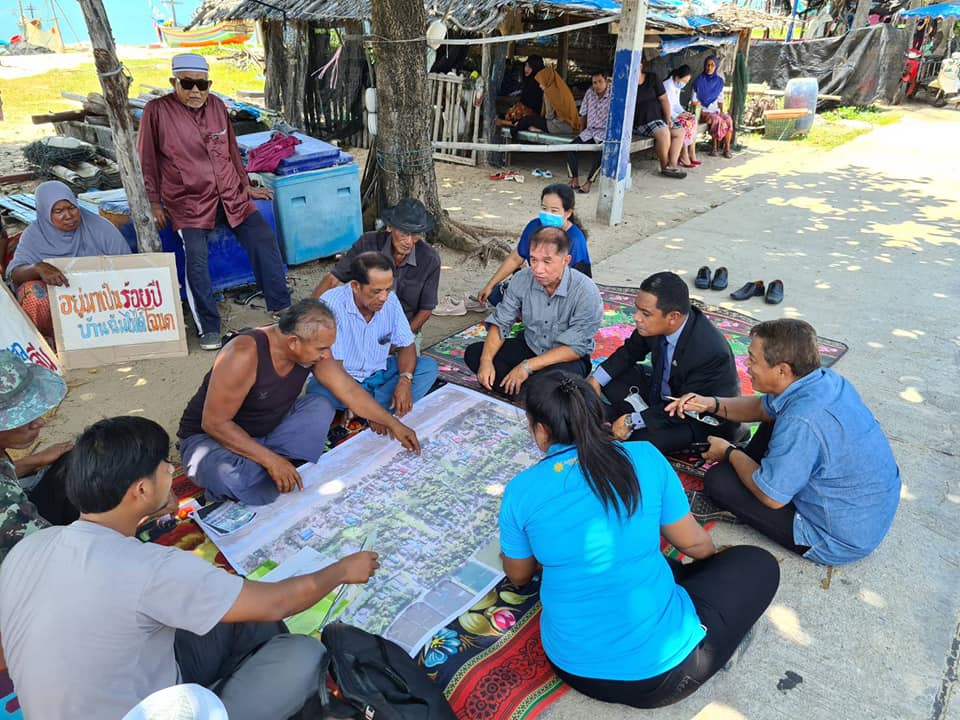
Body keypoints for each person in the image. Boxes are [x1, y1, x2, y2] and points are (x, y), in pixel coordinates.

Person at [0, 415, 381, 720]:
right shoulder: (152, 568)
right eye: (165, 465)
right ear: (141, 491)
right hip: (151, 708)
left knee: (235, 608)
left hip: (94, 697)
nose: (171, 470)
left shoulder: (30, 546)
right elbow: (278, 603)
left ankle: (238, 675)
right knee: (303, 654)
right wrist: (342, 570)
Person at [499, 372, 779, 708]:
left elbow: (518, 575)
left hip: (570, 665)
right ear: (597, 416)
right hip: (663, 678)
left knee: (649, 566)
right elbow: (696, 547)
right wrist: (719, 559)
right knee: (757, 563)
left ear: (541, 429)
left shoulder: (521, 490)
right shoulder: (643, 457)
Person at [667, 319, 901, 565]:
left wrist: (729, 452)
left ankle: (739, 501)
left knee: (720, 480)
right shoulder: (824, 381)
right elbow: (761, 408)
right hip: (868, 512)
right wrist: (710, 403)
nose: (746, 365)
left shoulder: (801, 420)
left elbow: (772, 498)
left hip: (836, 539)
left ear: (782, 370)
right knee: (773, 418)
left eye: (752, 360)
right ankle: (763, 471)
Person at [178, 299, 421, 506]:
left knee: (320, 407)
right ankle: (263, 468)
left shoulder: (308, 348)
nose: (327, 355)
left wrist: (394, 424)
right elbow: (214, 423)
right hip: (212, 438)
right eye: (322, 348)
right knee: (227, 474)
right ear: (293, 342)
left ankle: (265, 465)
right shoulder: (243, 353)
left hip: (267, 428)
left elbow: (347, 388)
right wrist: (271, 460)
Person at [138, 53, 291, 351]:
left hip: (230, 195)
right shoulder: (156, 112)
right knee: (196, 258)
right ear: (174, 82)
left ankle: (282, 306)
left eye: (202, 84)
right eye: (187, 84)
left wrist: (246, 186)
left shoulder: (218, 106)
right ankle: (208, 327)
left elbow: (232, 149)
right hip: (189, 201)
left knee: (263, 239)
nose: (196, 91)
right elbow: (146, 159)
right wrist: (154, 202)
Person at [588, 272, 744, 455]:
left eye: (645, 313)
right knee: (610, 378)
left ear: (673, 317)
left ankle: (628, 421)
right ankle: (627, 419)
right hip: (662, 391)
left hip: (692, 415)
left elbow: (685, 406)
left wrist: (632, 420)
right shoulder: (653, 325)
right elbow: (630, 351)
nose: (636, 318)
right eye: (637, 309)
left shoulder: (709, 352)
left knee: (638, 446)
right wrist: (595, 381)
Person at [465, 226, 602, 396]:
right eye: (533, 260)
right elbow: (501, 322)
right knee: (475, 354)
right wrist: (486, 361)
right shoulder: (522, 279)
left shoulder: (586, 291)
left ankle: (526, 389)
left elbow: (576, 347)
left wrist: (526, 367)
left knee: (557, 382)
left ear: (565, 261)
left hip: (564, 357)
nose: (537, 269)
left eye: (546, 261)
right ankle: (530, 392)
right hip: (531, 346)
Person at [307, 253, 438, 425]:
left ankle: (360, 411)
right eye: (376, 291)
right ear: (355, 286)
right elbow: (331, 369)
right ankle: (372, 410)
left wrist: (405, 380)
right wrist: (356, 398)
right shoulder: (331, 305)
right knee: (318, 398)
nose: (383, 297)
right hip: (341, 381)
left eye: (388, 289)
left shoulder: (390, 301)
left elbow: (406, 345)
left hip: (378, 374)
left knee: (427, 368)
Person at [6, 180, 130, 341]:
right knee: (33, 293)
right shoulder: (33, 236)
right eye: (58, 211)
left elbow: (128, 266)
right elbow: (14, 274)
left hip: (101, 307)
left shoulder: (100, 227)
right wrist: (37, 268)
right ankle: (51, 343)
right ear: (45, 213)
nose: (68, 216)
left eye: (72, 208)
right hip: (59, 308)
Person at [311, 198, 440, 345]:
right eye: (404, 233)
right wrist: (308, 316)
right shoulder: (367, 243)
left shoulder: (430, 260)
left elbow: (426, 310)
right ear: (390, 227)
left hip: (400, 329)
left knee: (410, 364)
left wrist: (397, 341)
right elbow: (333, 278)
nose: (409, 241)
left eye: (415, 234)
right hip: (358, 323)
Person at [0, 350, 81, 564]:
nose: (39, 423)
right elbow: (51, 559)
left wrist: (32, 461)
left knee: (71, 465)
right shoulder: (6, 500)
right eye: (23, 415)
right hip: (26, 570)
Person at [476, 184, 591, 307]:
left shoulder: (575, 239)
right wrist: (490, 285)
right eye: (544, 208)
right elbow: (515, 258)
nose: (548, 214)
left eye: (554, 211)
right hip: (537, 283)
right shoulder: (534, 227)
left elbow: (575, 283)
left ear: (568, 213)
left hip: (563, 293)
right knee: (494, 294)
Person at [633, 59, 686, 179]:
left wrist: (668, 118)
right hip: (641, 121)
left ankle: (672, 164)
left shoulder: (652, 78)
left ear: (641, 65)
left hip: (658, 118)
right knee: (663, 132)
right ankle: (664, 166)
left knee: (680, 131)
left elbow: (664, 99)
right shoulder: (627, 83)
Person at [566, 72, 611, 194]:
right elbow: (583, 115)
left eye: (600, 82)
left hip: (605, 133)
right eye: (594, 83)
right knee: (571, 147)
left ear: (606, 81)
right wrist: (581, 133)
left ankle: (589, 182)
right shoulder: (589, 93)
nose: (597, 85)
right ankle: (574, 179)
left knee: (603, 152)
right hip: (590, 131)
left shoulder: (614, 95)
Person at [692, 55, 733, 158]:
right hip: (703, 112)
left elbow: (720, 100)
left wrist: (722, 112)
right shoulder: (698, 81)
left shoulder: (719, 82)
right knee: (717, 120)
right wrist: (701, 111)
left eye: (712, 65)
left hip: (715, 111)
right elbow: (694, 101)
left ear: (716, 67)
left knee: (728, 119)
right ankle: (714, 148)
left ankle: (727, 149)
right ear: (704, 66)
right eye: (707, 65)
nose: (709, 67)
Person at [663, 65, 700, 169]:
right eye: (684, 81)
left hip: (675, 114)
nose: (684, 84)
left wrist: (684, 112)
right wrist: (679, 115)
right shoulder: (667, 86)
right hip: (667, 115)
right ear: (677, 78)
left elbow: (676, 104)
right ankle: (684, 155)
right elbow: (667, 107)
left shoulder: (676, 86)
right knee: (684, 124)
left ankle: (691, 152)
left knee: (693, 119)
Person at [498, 55, 545, 128]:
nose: (526, 69)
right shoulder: (528, 81)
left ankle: (504, 122)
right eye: (526, 66)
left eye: (530, 67)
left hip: (533, 115)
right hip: (524, 110)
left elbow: (533, 105)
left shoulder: (539, 84)